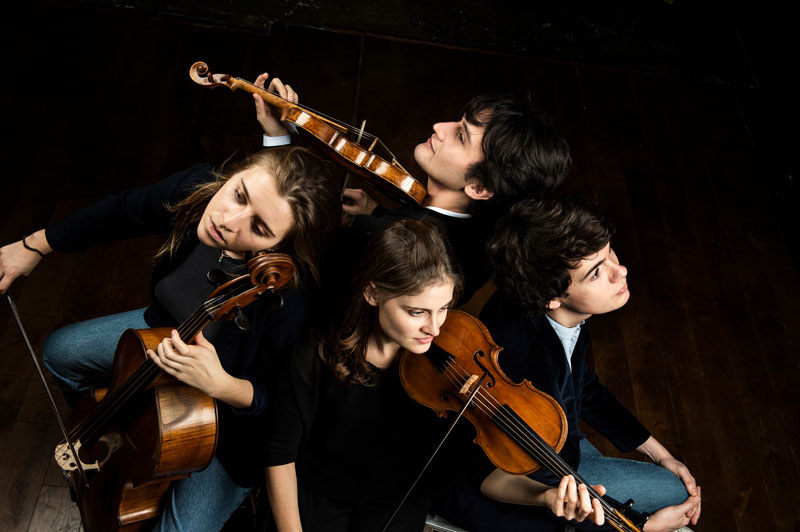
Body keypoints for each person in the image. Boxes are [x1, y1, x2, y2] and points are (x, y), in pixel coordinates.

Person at [0, 146, 341, 532]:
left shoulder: (291, 298)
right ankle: (124, 436)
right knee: (60, 353)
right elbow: (120, 211)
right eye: (239, 193)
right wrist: (34, 246)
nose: (228, 220)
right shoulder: (197, 189)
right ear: (232, 175)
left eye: (259, 228)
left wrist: (223, 384)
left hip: (231, 431)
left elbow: (281, 405)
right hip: (162, 333)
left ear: (279, 247)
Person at [432, 194, 702, 532]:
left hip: (557, 440)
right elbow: (502, 477)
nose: (621, 272)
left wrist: (658, 452)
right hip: (519, 474)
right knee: (673, 493)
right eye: (596, 273)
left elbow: (583, 385)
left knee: (659, 481)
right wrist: (642, 526)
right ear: (552, 298)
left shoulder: (551, 305)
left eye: (610, 253)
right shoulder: (520, 356)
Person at [251, 72, 572, 301]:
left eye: (461, 137)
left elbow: (284, 248)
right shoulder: (486, 241)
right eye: (458, 122)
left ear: (479, 188)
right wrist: (375, 209)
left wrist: (278, 137)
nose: (439, 127)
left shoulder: (378, 236)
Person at [264, 219, 465, 532]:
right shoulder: (314, 354)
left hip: (393, 505)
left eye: (444, 308)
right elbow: (279, 456)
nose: (435, 327)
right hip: (317, 496)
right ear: (372, 293)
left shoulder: (444, 366)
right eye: (416, 312)